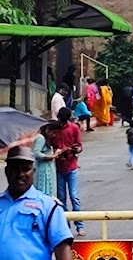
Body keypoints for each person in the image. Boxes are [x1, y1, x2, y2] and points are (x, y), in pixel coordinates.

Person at [0, 145, 74, 260]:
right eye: (15, 169)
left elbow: (62, 248)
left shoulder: (49, 206)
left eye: (26, 169)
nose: (20, 175)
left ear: (33, 172)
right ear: (6, 171)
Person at [47, 107, 84, 237]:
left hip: (71, 166)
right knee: (61, 198)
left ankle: (79, 225)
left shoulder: (74, 128)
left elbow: (79, 146)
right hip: (58, 166)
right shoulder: (53, 129)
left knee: (74, 196)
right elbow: (48, 145)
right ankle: (65, 226)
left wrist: (75, 150)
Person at [32, 122, 60, 197]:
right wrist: (53, 156)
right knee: (44, 191)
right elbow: (36, 153)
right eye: (53, 133)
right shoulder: (41, 138)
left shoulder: (46, 139)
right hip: (43, 169)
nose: (54, 135)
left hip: (48, 168)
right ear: (48, 130)